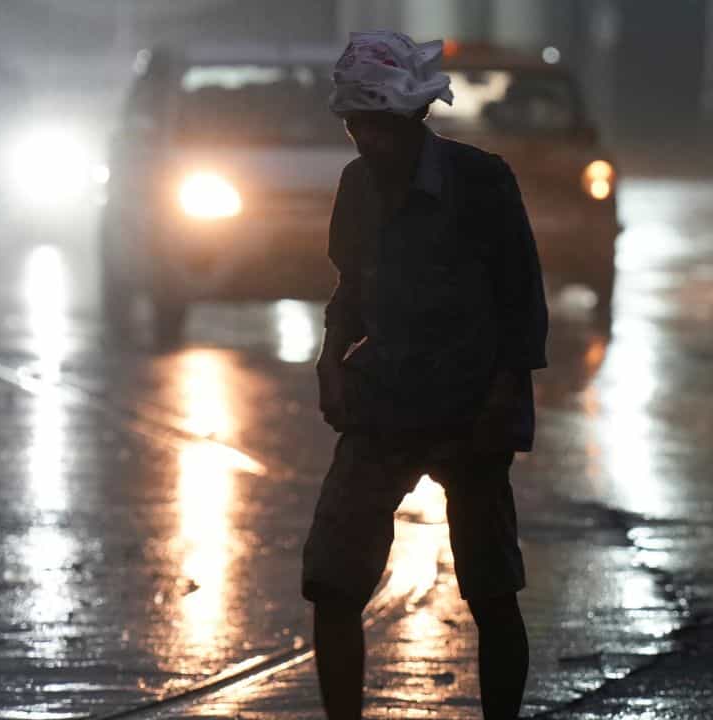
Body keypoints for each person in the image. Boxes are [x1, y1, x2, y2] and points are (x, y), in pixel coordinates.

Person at [304, 31, 549, 720]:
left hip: (471, 413)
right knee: (331, 584)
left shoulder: (482, 182)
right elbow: (350, 289)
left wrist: (504, 397)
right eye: (357, 127)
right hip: (383, 405)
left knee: (492, 591)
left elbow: (521, 299)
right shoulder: (356, 187)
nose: (369, 142)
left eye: (381, 127)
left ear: (413, 119)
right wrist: (330, 361)